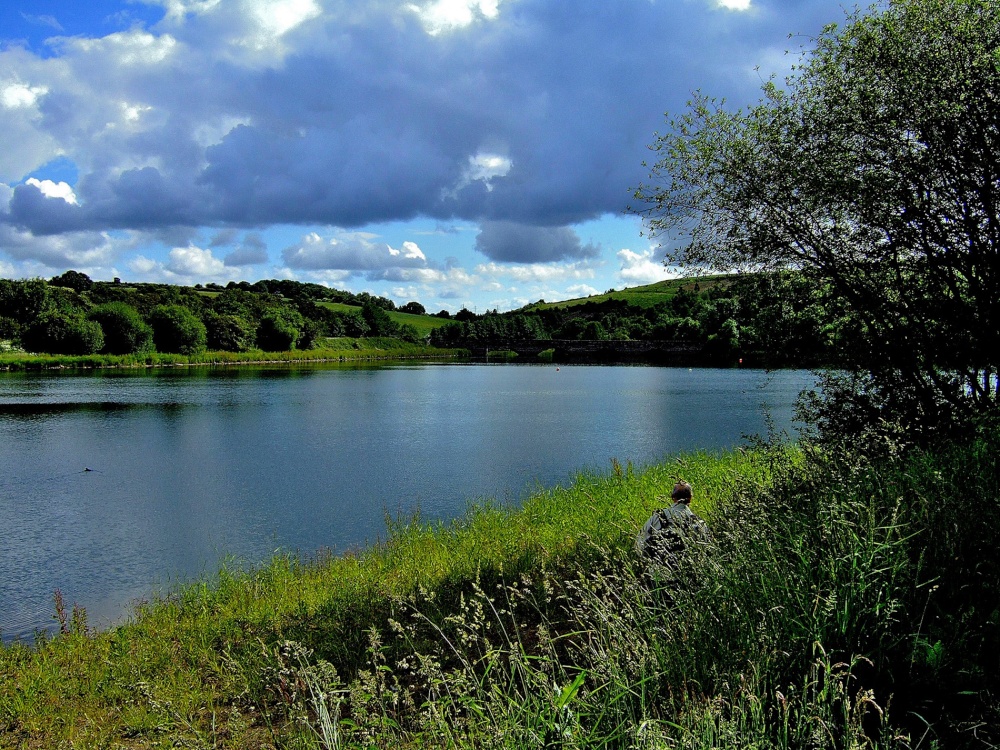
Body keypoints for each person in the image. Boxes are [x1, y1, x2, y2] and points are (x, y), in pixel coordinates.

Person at [636, 480, 711, 570]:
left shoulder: (658, 517)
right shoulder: (698, 522)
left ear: (672, 497)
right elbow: (706, 551)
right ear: (690, 498)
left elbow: (639, 544)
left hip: (659, 575)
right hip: (689, 575)